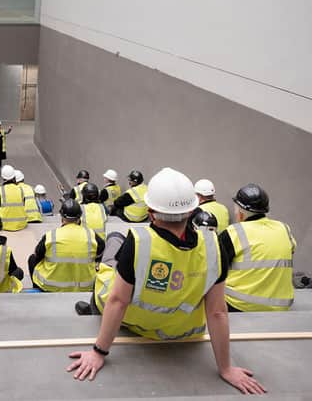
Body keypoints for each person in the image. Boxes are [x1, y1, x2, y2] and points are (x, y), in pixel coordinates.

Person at [68, 168, 265, 395]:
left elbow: (117, 301)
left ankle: (91, 309)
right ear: (193, 210)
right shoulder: (214, 246)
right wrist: (226, 368)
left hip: (137, 325)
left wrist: (98, 352)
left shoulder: (138, 242)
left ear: (151, 213)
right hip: (184, 331)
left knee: (108, 261)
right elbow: (218, 312)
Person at [220, 183, 296, 312]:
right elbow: (289, 251)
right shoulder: (284, 228)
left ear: (241, 212)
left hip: (239, 304)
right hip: (281, 305)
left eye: (235, 208)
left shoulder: (234, 232)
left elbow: (213, 267)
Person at [29, 199, 105, 292]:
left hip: (51, 287)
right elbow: (101, 249)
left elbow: (37, 255)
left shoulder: (51, 235)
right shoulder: (91, 235)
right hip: (85, 286)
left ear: (62, 217)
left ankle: (36, 290)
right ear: (79, 218)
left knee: (32, 259)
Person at [0, 165, 27, 231]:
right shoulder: (20, 189)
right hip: (21, 224)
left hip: (4, 224)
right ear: (14, 177)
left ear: (3, 177)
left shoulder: (0, 190)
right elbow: (24, 204)